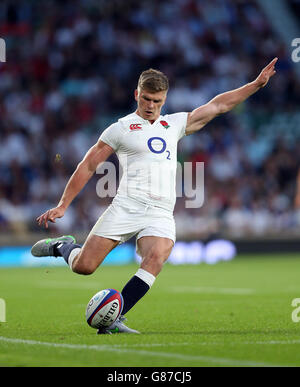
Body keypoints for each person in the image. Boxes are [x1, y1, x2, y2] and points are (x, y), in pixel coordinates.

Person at [32, 58, 278, 334]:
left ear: (165, 99)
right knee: (84, 267)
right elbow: (89, 165)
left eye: (157, 101)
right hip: (126, 206)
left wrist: (256, 85)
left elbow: (218, 105)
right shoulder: (120, 128)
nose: (151, 106)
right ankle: (62, 247)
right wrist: (63, 205)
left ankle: (114, 317)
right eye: (147, 99)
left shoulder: (174, 124)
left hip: (160, 211)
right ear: (137, 94)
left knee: (157, 256)